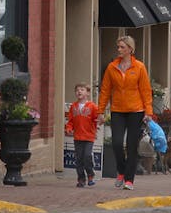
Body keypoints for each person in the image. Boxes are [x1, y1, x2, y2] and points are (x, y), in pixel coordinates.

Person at [98, 35, 153, 191]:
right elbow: (105, 90)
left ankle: (129, 180)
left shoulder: (139, 67)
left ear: (130, 49)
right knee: (116, 143)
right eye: (118, 47)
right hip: (117, 110)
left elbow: (146, 91)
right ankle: (121, 171)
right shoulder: (111, 67)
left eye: (122, 47)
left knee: (131, 145)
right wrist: (100, 111)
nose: (119, 50)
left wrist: (148, 112)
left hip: (136, 111)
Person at [64, 82, 100, 187]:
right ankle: (81, 179)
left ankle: (90, 174)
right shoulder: (73, 106)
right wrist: (69, 128)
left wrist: (97, 123)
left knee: (87, 156)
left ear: (87, 93)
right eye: (77, 90)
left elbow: (96, 118)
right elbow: (70, 121)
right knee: (79, 158)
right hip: (78, 137)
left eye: (82, 89)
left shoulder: (92, 106)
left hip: (89, 136)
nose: (79, 91)